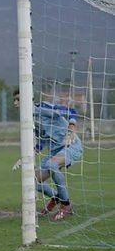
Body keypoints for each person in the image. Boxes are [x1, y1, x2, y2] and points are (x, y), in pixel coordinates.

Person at [12, 89, 82, 221]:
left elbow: (71, 111)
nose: (15, 103)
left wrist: (71, 131)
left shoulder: (42, 107)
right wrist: (25, 157)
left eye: (18, 99)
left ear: (28, 99)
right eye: (14, 100)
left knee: (51, 164)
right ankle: (56, 198)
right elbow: (42, 140)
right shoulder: (28, 119)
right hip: (55, 151)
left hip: (71, 146)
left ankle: (66, 204)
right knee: (31, 180)